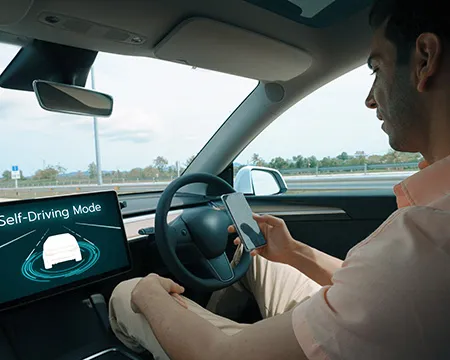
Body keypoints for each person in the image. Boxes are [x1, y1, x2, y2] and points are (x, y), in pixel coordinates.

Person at [109, 0, 450, 358]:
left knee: (128, 293)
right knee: (258, 257)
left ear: (425, 59)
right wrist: (293, 252)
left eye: (376, 69)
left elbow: (217, 354)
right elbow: (381, 289)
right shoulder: (422, 242)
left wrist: (148, 293)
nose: (369, 98)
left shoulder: (427, 240)